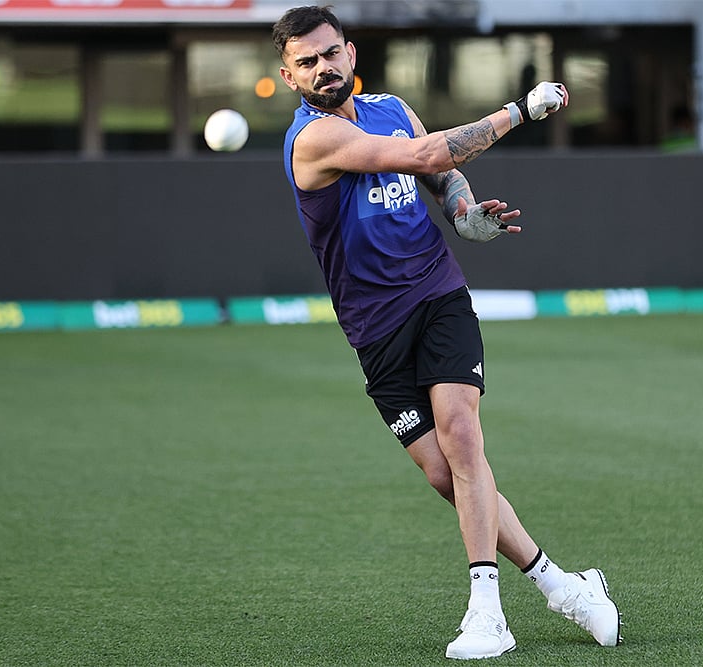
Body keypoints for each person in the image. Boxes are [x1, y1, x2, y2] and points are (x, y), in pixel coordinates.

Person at [272, 6, 621, 660]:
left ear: (350, 54)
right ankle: (564, 585)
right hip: (376, 331)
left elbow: (439, 172)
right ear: (289, 76)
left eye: (329, 53)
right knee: (444, 473)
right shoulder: (312, 140)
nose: (323, 68)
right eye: (307, 62)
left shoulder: (393, 107)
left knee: (463, 435)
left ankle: (487, 612)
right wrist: (521, 110)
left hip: (436, 294)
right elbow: (427, 151)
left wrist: (462, 212)